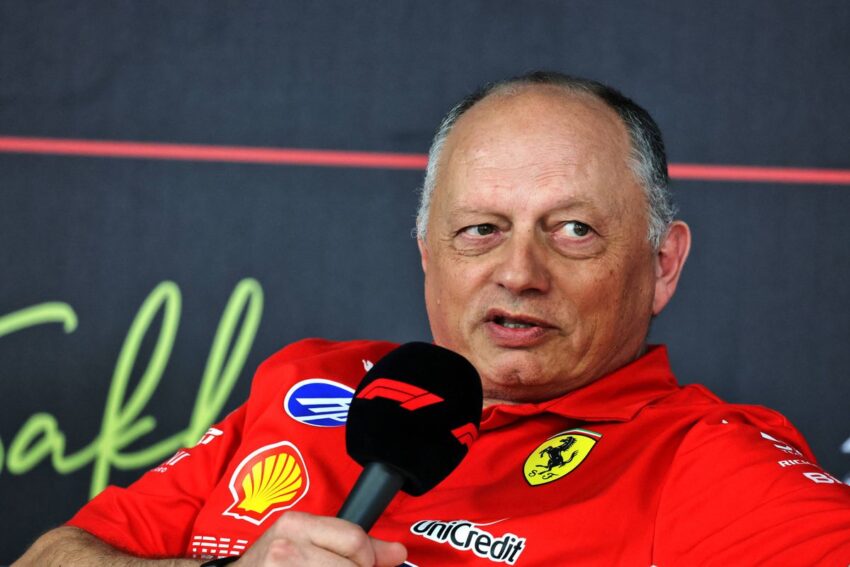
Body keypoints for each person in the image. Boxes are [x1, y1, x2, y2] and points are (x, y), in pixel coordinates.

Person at [15, 72, 850, 566]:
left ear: (663, 263)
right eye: (481, 229)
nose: (518, 272)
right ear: (427, 253)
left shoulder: (700, 460)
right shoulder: (310, 379)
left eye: (573, 230)